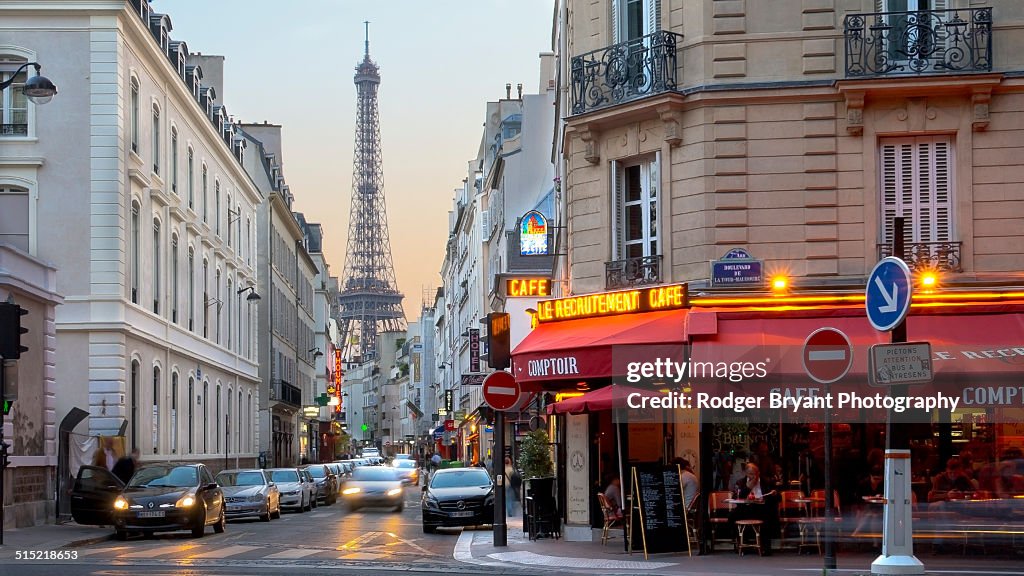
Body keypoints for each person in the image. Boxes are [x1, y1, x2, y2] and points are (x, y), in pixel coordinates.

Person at [730, 463, 779, 555]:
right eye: (751, 474)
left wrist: (774, 493)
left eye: (755, 474)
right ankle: (740, 543)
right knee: (733, 515)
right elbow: (735, 497)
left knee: (768, 515)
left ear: (759, 473)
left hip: (761, 507)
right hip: (746, 508)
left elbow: (777, 495)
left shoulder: (766, 482)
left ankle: (765, 547)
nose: (753, 476)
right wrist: (748, 488)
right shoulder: (740, 482)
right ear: (746, 474)